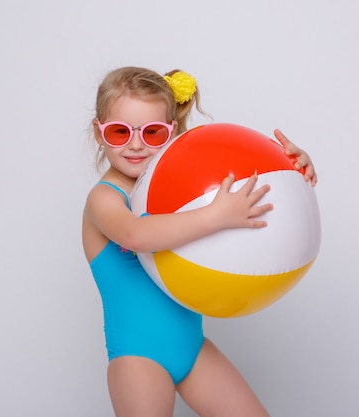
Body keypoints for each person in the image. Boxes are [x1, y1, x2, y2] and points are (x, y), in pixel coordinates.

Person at [82, 66, 317, 417]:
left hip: (192, 351)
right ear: (99, 133)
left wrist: (293, 169)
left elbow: (245, 182)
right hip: (138, 359)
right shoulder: (104, 199)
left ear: (171, 132)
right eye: (119, 132)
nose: (135, 144)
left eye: (152, 132)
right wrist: (217, 216)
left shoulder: (179, 193)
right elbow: (136, 235)